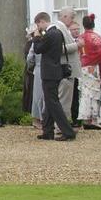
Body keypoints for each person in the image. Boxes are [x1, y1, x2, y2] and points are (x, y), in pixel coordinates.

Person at [33, 11, 76, 141]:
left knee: (53, 103)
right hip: (55, 71)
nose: (38, 28)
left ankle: (68, 131)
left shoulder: (50, 34)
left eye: (38, 24)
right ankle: (48, 130)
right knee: (49, 102)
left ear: (42, 21)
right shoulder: (57, 33)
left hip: (50, 73)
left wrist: (35, 37)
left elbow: (38, 49)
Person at [77, 14, 101, 129]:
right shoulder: (96, 37)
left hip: (83, 67)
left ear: (83, 25)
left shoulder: (81, 37)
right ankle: (94, 119)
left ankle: (86, 119)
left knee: (85, 92)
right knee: (94, 93)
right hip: (93, 67)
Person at [54, 7, 84, 122]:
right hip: (65, 69)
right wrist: (77, 46)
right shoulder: (59, 29)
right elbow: (58, 49)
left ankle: (63, 125)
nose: (72, 20)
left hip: (69, 69)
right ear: (65, 16)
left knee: (67, 101)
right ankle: (61, 126)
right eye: (71, 17)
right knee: (64, 101)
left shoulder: (64, 29)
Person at [24, 24, 44, 130]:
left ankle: (38, 119)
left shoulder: (35, 43)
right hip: (40, 69)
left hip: (38, 69)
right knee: (39, 96)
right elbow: (29, 58)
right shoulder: (34, 43)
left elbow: (30, 59)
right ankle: (38, 120)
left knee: (38, 96)